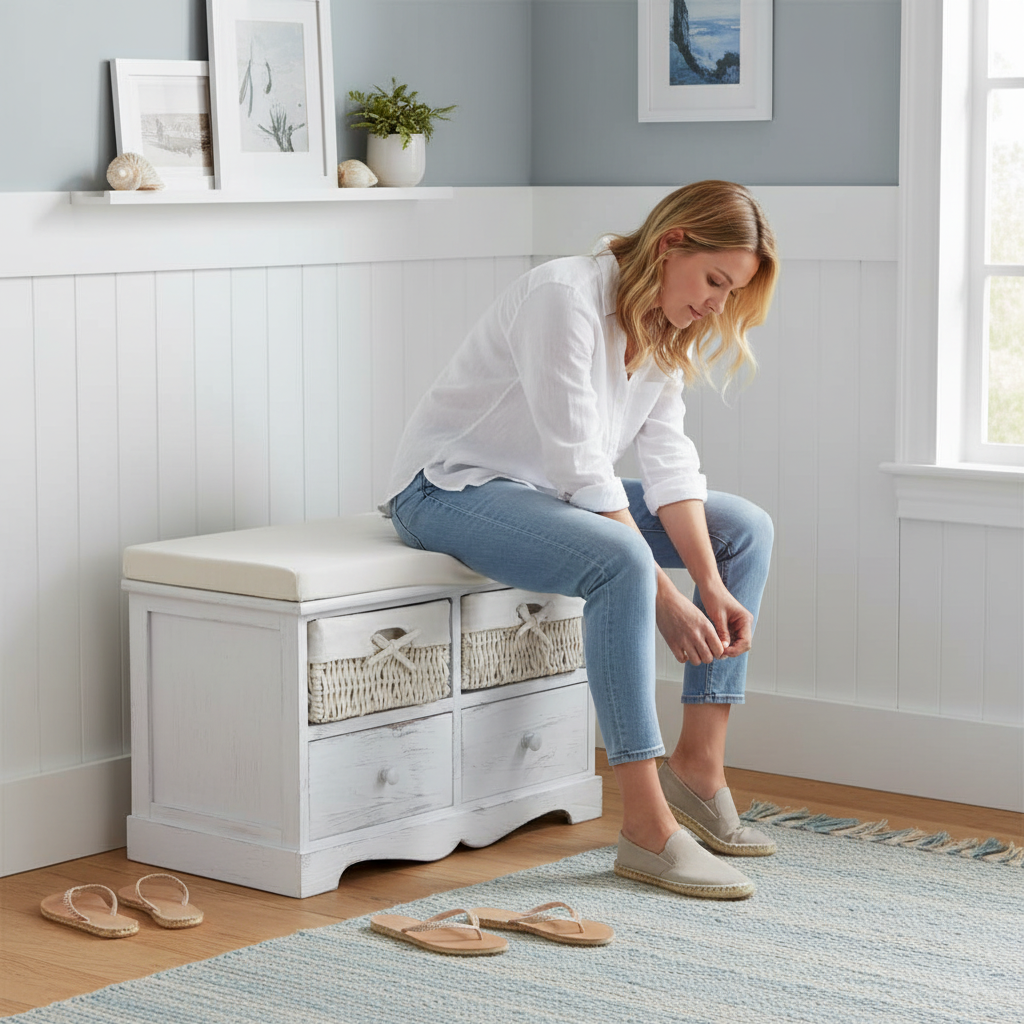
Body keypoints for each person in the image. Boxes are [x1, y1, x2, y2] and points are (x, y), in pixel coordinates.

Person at [382, 180, 779, 899]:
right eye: (714, 281)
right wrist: (667, 599)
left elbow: (668, 462)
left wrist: (709, 585)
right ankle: (647, 830)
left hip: (544, 495)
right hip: (448, 490)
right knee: (623, 557)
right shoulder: (561, 297)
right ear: (670, 245)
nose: (717, 306)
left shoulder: (663, 322)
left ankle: (698, 771)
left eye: (732, 292)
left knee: (743, 528)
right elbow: (582, 470)